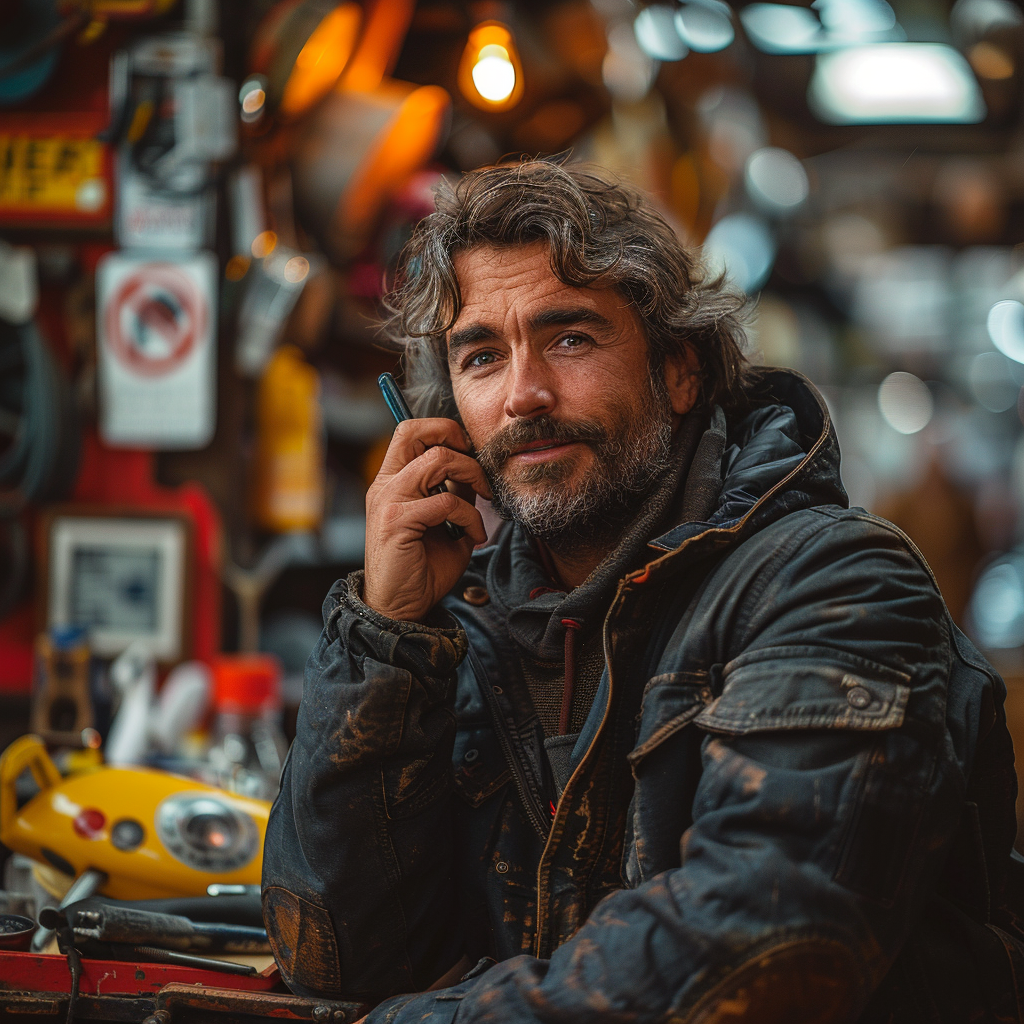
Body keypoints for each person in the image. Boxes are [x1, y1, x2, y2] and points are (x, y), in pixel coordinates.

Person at [262, 161, 1024, 1023]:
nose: (524, 395)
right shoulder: (460, 625)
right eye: (481, 356)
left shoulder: (837, 583)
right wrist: (386, 634)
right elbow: (332, 955)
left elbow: (762, 953)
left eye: (571, 337)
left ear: (682, 372)